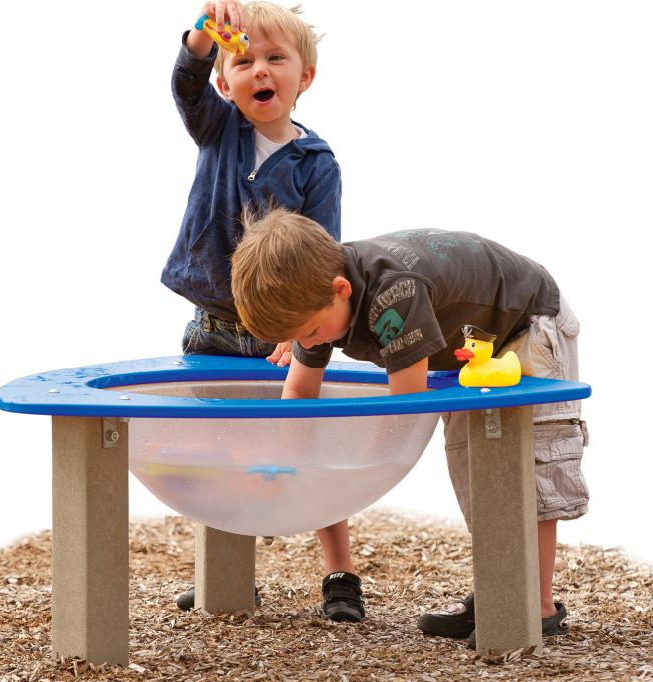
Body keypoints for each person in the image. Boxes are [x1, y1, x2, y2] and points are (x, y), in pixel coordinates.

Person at [230, 207, 590, 645]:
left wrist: (359, 473)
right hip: (475, 350)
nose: (308, 344)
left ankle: (536, 605)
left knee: (524, 467)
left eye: (310, 333)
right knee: (477, 469)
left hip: (529, 325)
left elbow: (405, 405)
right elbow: (300, 392)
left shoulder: (393, 294)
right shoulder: (317, 302)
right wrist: (289, 465)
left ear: (340, 290)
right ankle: (502, 589)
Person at [168, 2, 355, 620]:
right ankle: (228, 573)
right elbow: (185, 83)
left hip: (283, 332)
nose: (259, 70)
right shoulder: (218, 129)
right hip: (213, 325)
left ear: (305, 77)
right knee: (219, 449)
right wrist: (201, 37)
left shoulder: (315, 163)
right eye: (243, 61)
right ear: (226, 82)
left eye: (276, 59)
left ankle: (339, 573)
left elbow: (322, 252)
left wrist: (297, 333)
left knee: (307, 438)